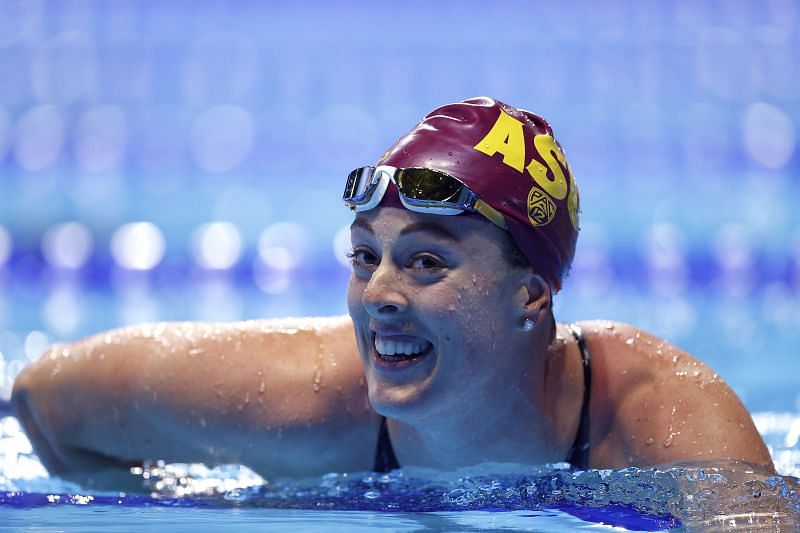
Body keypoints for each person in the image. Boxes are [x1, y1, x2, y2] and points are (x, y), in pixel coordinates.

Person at [11, 97, 773, 490]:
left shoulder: (659, 425)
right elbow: (47, 397)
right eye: (366, 256)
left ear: (532, 293)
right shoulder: (303, 401)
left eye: (425, 264)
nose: (377, 294)